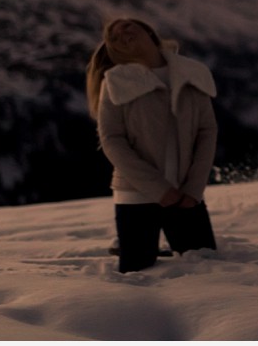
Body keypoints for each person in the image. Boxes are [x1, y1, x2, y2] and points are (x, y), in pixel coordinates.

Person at [86, 17, 218, 272]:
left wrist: (194, 188)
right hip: (135, 193)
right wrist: (158, 189)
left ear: (147, 30)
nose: (121, 32)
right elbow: (112, 140)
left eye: (126, 25)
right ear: (115, 50)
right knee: (138, 272)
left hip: (186, 193)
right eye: (113, 36)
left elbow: (207, 130)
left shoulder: (193, 72)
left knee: (206, 268)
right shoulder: (115, 81)